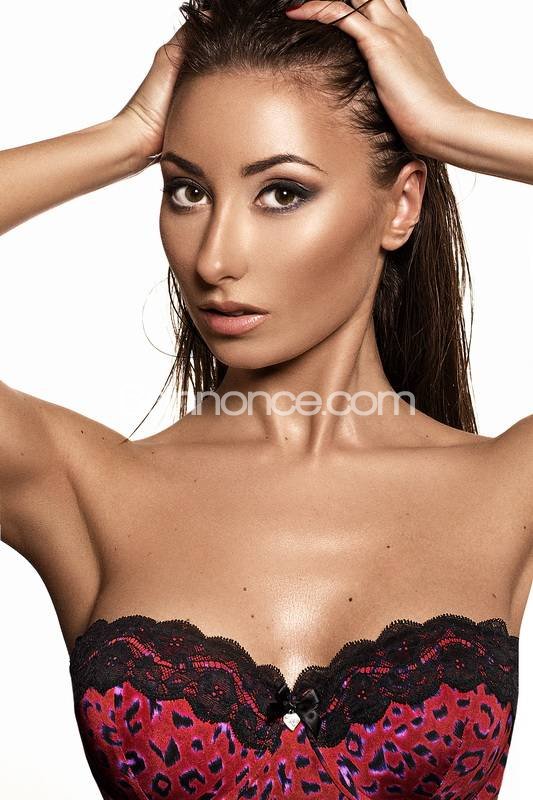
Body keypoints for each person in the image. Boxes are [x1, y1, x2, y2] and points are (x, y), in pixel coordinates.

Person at [0, 0, 531, 797]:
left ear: (400, 205)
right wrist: (125, 137)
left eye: (281, 193)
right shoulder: (81, 488)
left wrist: (458, 127)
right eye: (187, 191)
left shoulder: (507, 486)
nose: (214, 258)